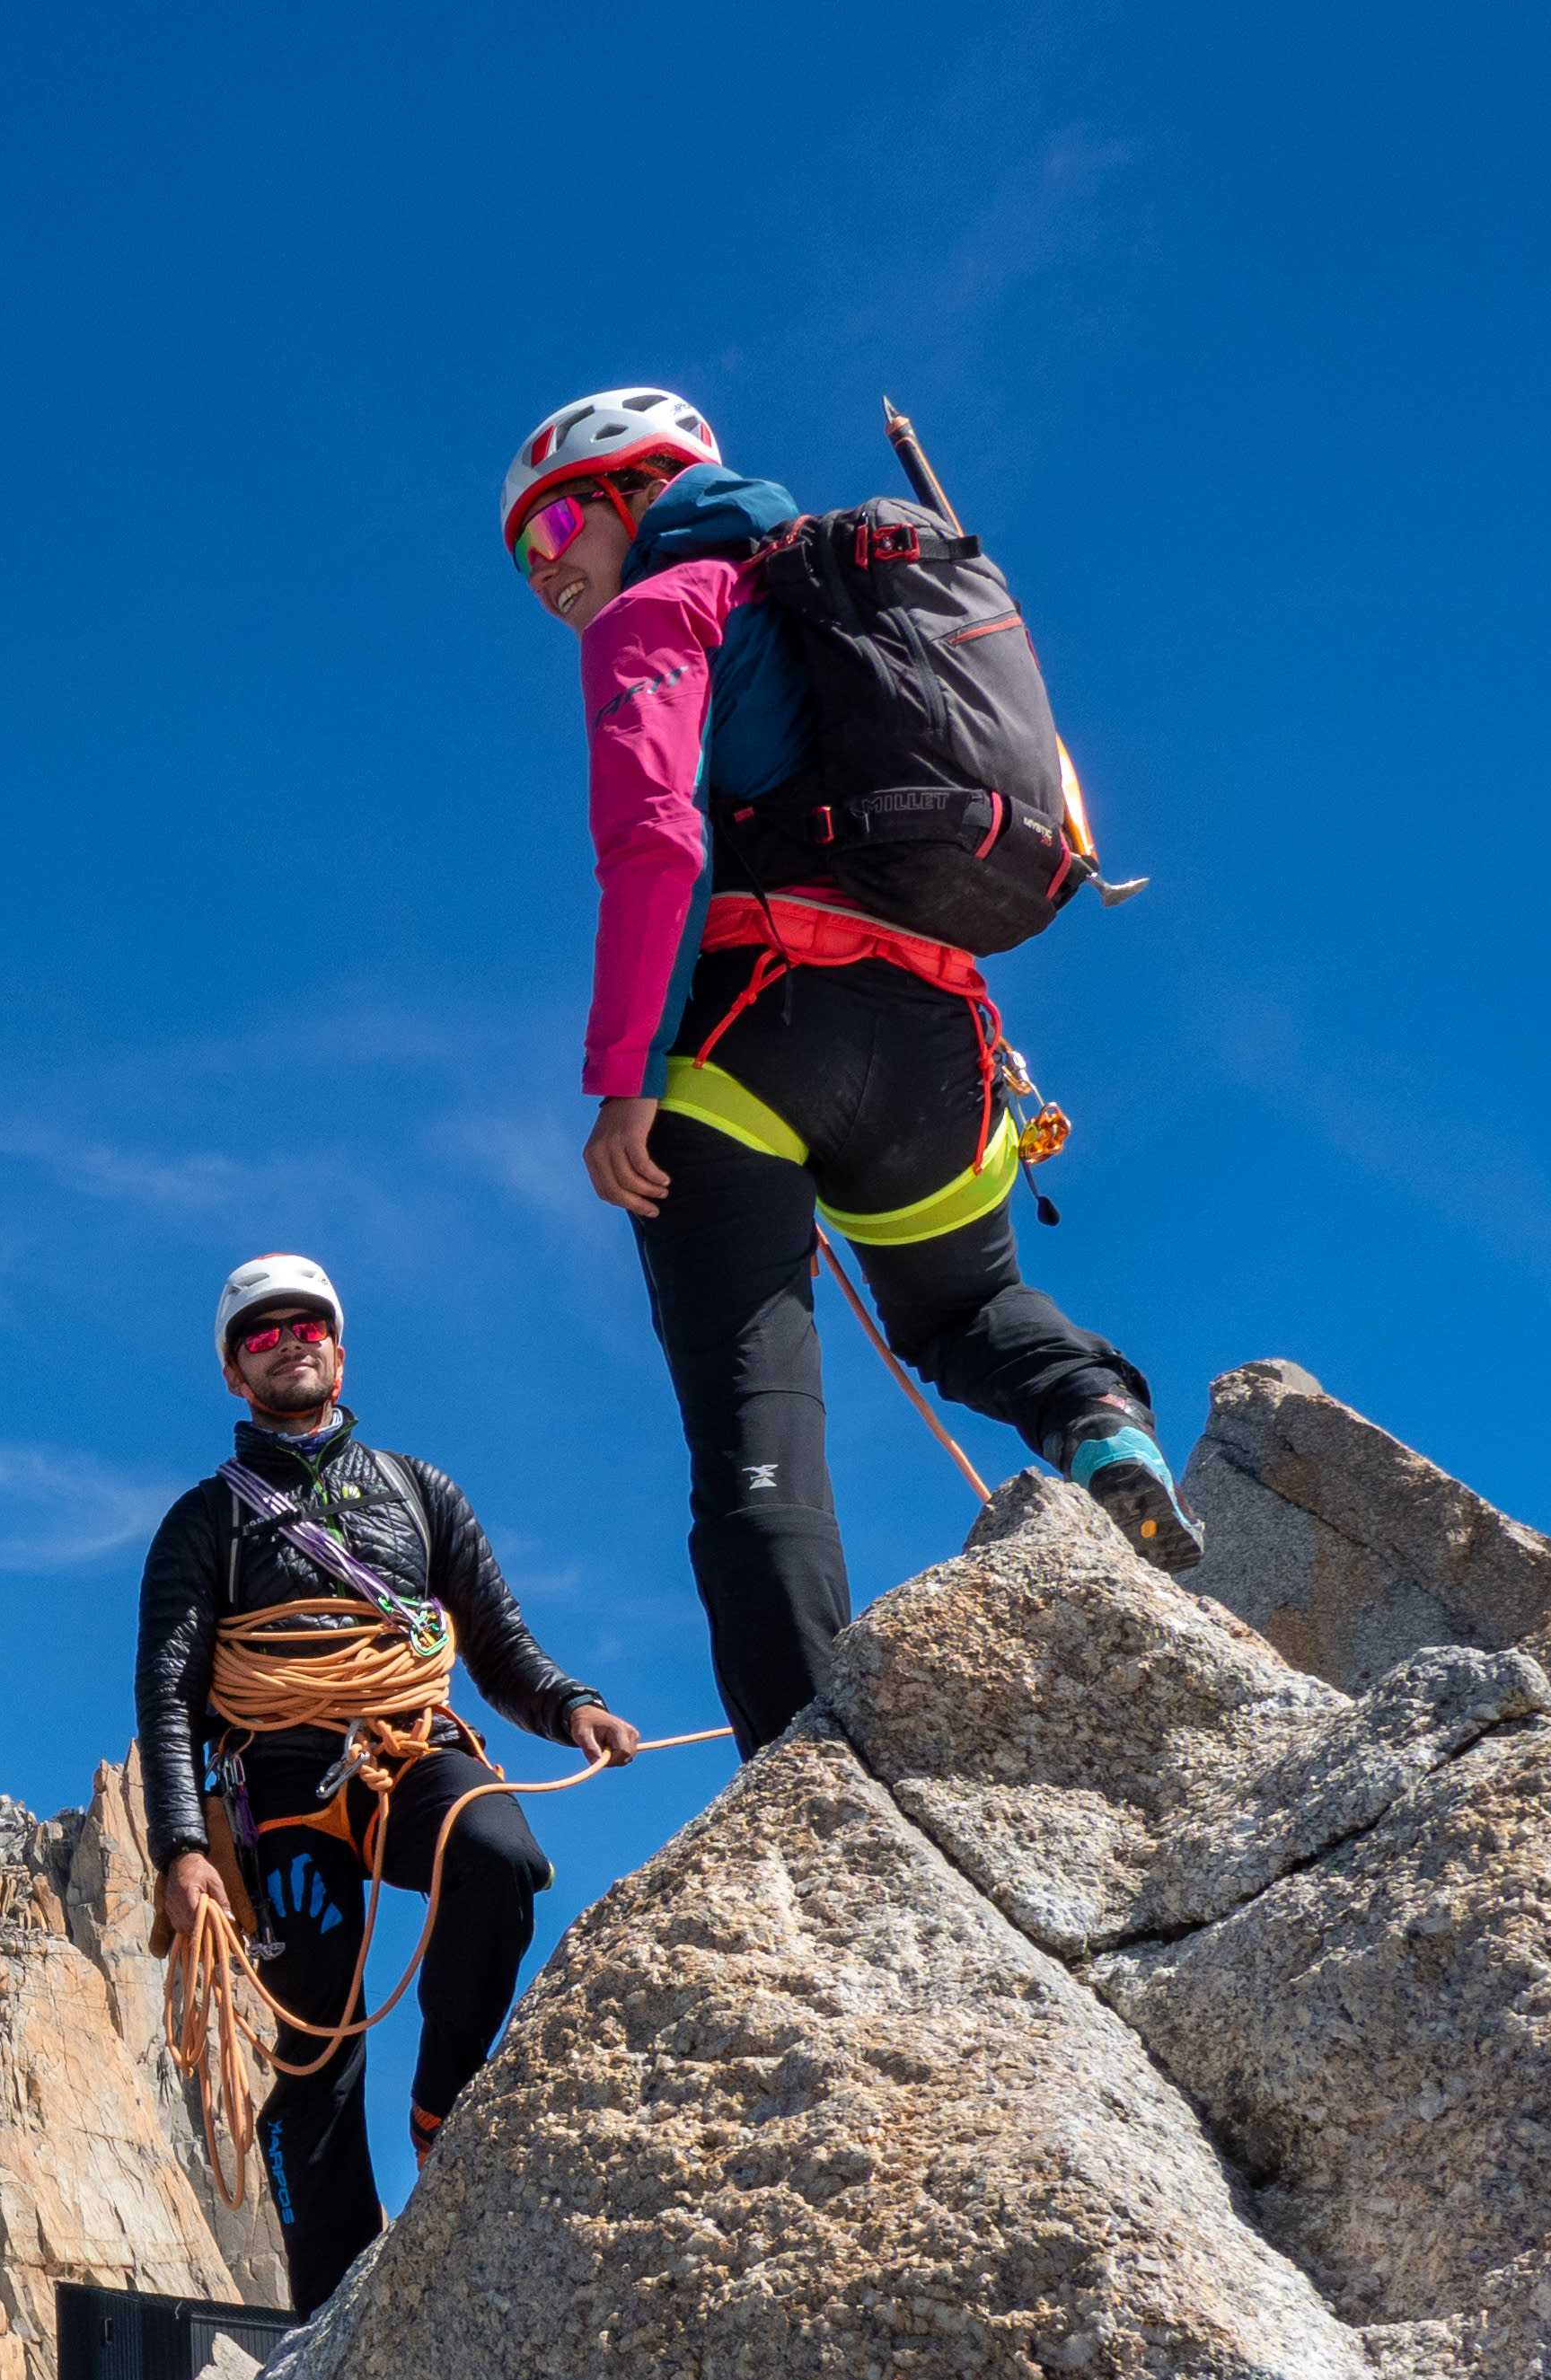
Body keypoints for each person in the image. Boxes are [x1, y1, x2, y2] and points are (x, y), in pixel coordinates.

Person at [507, 386, 1199, 1753]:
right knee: (967, 1311)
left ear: (644, 491)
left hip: (753, 1035)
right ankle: (1097, 1413)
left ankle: (810, 1767)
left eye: (560, 526)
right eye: (524, 558)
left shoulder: (663, 609)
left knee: (753, 1421)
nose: (544, 572)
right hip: (944, 1041)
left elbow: (656, 842)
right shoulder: (876, 602)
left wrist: (624, 1077)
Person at [137, 1255, 639, 2311]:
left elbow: (498, 1643)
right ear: (234, 1373)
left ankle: (442, 2106)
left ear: (340, 1348)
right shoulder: (202, 1523)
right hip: (278, 1782)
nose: (289, 1343)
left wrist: (571, 1708)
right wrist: (182, 1848)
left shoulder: (421, 1491)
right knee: (317, 2042)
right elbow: (170, 1697)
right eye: (262, 1334)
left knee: (501, 1857)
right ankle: (333, 2312)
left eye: (307, 1326)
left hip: (409, 1744)